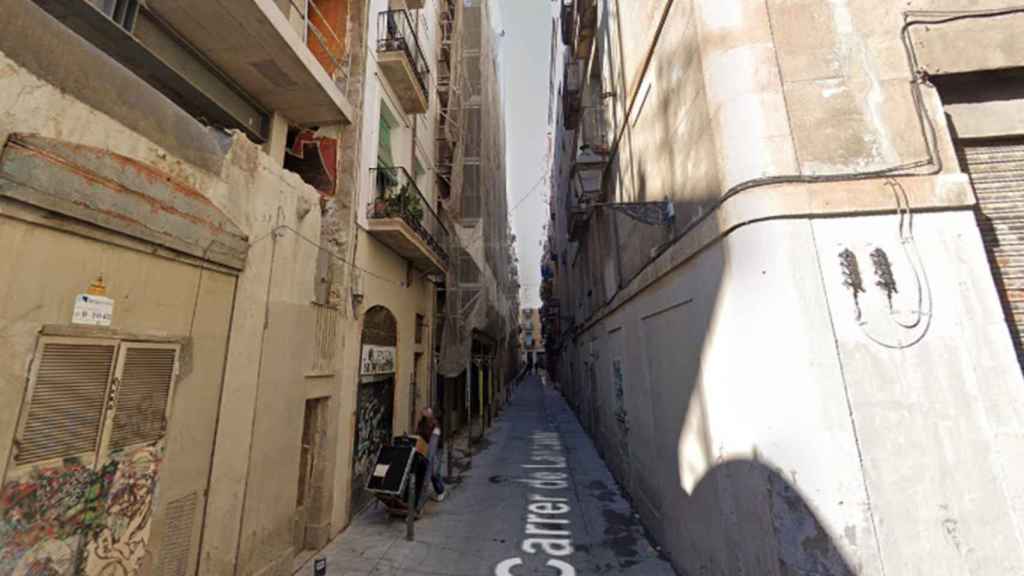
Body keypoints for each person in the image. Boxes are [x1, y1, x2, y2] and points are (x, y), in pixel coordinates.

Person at [416, 407, 446, 502]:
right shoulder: (421, 423)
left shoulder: (435, 425)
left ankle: (440, 490)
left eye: (426, 414)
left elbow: (434, 441)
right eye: (423, 413)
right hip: (425, 447)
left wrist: (430, 455)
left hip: (437, 449)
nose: (424, 415)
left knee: (434, 470)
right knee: (428, 469)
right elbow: (418, 434)